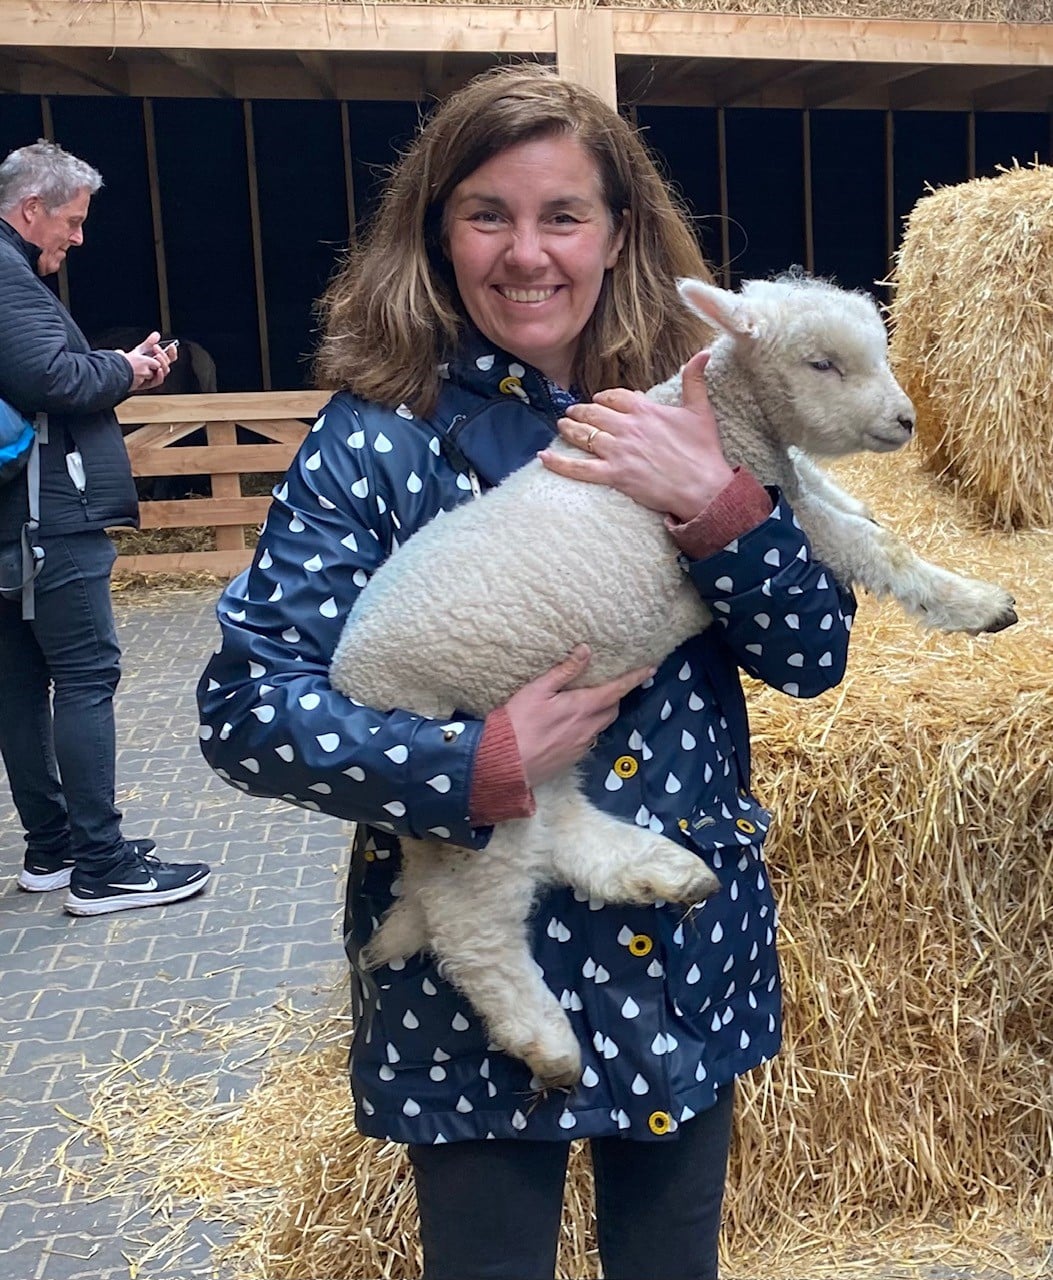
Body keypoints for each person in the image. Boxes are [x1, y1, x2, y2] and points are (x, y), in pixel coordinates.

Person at [196, 65, 855, 1280]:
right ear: (437, 232)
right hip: (482, 976)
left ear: (619, 233)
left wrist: (719, 510)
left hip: (674, 937)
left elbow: (815, 655)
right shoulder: (378, 440)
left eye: (563, 215)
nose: (526, 253)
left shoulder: (699, 413)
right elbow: (246, 710)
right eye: (486, 214)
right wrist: (472, 764)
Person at [0, 140, 211, 916]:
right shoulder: (8, 277)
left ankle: (53, 847)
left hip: (15, 522)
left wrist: (115, 366)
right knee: (86, 678)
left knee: (20, 685)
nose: (79, 237)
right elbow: (51, 378)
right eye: (73, 220)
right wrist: (127, 370)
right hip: (48, 520)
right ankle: (101, 866)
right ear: (32, 209)